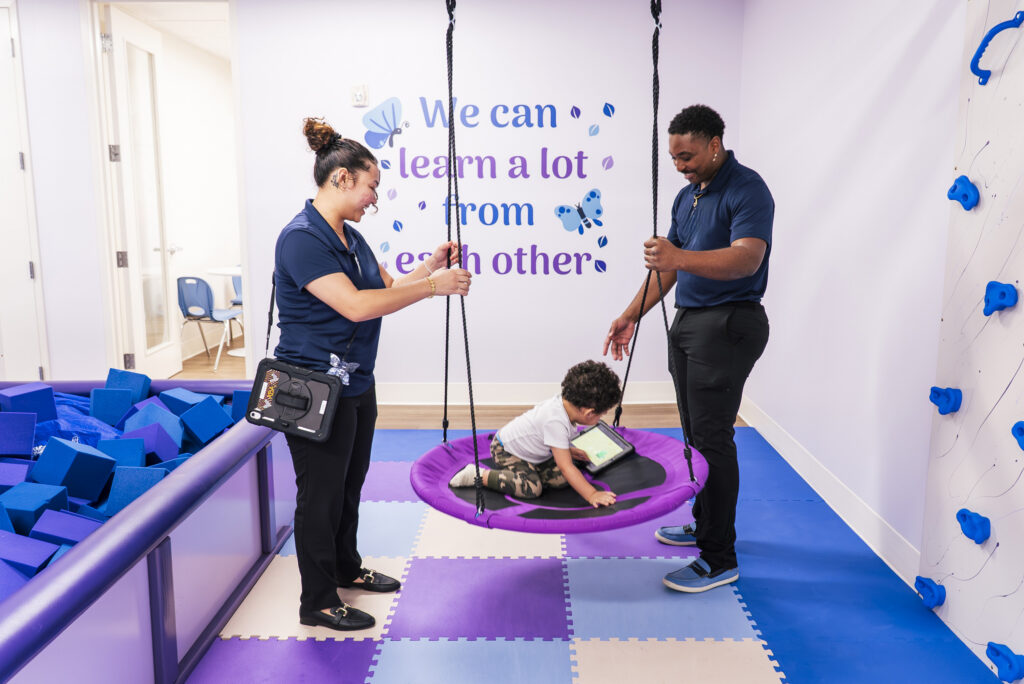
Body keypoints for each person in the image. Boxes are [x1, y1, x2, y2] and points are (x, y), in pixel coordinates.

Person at [275, 117, 473, 631]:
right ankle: (317, 600)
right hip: (313, 388)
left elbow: (388, 288)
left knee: (348, 486)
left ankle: (345, 566)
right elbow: (359, 307)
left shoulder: (353, 239)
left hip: (356, 384)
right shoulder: (300, 240)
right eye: (371, 188)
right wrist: (436, 288)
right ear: (342, 178)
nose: (372, 199)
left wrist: (430, 267)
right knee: (318, 497)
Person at [603, 104, 772, 593]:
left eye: (688, 155)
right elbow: (668, 269)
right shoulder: (687, 197)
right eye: (674, 158)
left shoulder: (747, 189)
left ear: (714, 143)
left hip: (730, 324)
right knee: (697, 438)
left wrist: (677, 255)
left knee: (712, 442)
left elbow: (746, 259)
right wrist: (630, 314)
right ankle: (705, 526)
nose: (681, 165)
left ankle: (719, 559)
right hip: (690, 324)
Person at [448, 360, 621, 508]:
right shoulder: (555, 420)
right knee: (531, 488)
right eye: (602, 414)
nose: (602, 417)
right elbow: (566, 467)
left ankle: (532, 470)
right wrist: (592, 495)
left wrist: (567, 451)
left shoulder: (565, 405)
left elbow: (553, 443)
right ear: (589, 413)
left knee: (562, 479)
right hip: (506, 451)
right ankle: (478, 475)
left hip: (533, 452)